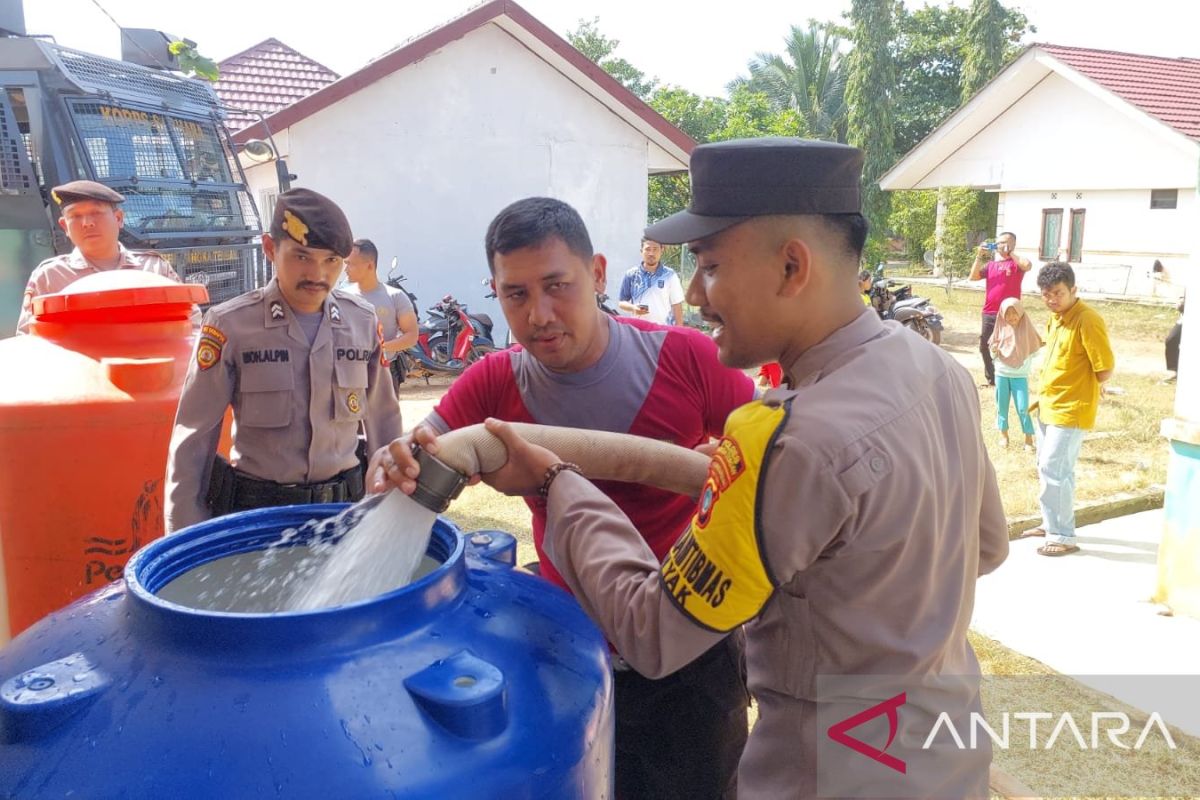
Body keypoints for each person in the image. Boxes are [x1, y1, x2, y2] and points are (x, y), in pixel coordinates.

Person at [380, 140, 1009, 799]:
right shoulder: (934, 369)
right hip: (939, 754)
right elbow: (985, 547)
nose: (699, 293)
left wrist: (554, 482)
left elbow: (654, 633)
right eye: (515, 294)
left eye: (710, 266)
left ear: (792, 266)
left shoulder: (787, 439)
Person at [371, 197, 756, 800]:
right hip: (561, 650)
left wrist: (719, 470)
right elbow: (417, 457)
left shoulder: (687, 358)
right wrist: (393, 462)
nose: (540, 314)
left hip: (687, 649)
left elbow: (771, 473)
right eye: (516, 295)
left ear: (598, 273)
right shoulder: (493, 381)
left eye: (557, 285)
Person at [164, 188, 402, 532]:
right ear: (270, 248)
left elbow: (384, 422)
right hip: (259, 519)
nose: (318, 274)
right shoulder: (230, 325)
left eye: (331, 261)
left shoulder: (362, 322)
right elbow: (193, 440)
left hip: (346, 515)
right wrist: (184, 536)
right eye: (302, 256)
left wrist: (389, 510)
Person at [1021, 262, 1115, 557]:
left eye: (1058, 293)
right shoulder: (1056, 318)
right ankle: (1052, 524)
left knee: (1054, 469)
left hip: (1071, 408)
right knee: (1050, 469)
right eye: (1046, 294)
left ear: (1074, 290)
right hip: (1047, 404)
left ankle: (1062, 535)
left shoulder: (1088, 319)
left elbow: (1104, 369)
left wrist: (1083, 384)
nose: (1052, 300)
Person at [17, 180, 188, 334]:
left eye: (96, 212)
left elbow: (190, 325)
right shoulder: (50, 277)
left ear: (118, 218)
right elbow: (29, 339)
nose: (87, 223)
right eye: (75, 216)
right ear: (64, 226)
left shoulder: (154, 269)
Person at [342, 239, 419, 389]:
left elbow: (411, 336)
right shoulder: (342, 297)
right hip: (351, 374)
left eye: (351, 264)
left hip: (386, 373)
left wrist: (381, 348)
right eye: (346, 263)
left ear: (370, 265)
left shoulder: (395, 296)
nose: (346, 269)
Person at [969, 232, 1031, 387]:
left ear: (1012, 244)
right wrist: (979, 256)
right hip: (989, 312)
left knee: (1010, 345)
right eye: (997, 243)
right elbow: (973, 276)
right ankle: (992, 379)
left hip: (1010, 313)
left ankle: (1010, 377)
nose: (999, 245)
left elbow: (1027, 265)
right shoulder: (991, 265)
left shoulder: (1016, 263)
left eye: (1003, 242)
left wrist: (1010, 252)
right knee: (985, 345)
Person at [988, 298, 1041, 450]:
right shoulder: (1000, 329)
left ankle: (1028, 438)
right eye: (1007, 314)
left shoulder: (1028, 330)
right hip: (1002, 375)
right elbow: (993, 355)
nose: (1011, 317)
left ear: (1021, 313)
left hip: (1020, 377)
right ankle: (1004, 436)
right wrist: (994, 351)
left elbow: (1035, 351)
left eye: (1014, 313)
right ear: (1002, 315)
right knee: (1001, 406)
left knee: (1024, 407)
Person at [617, 237, 685, 325]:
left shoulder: (670, 275)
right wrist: (633, 308)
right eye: (648, 249)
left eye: (655, 249)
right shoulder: (631, 274)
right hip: (639, 331)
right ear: (641, 251)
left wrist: (679, 332)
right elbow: (622, 302)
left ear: (662, 250)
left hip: (663, 331)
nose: (651, 253)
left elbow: (677, 305)